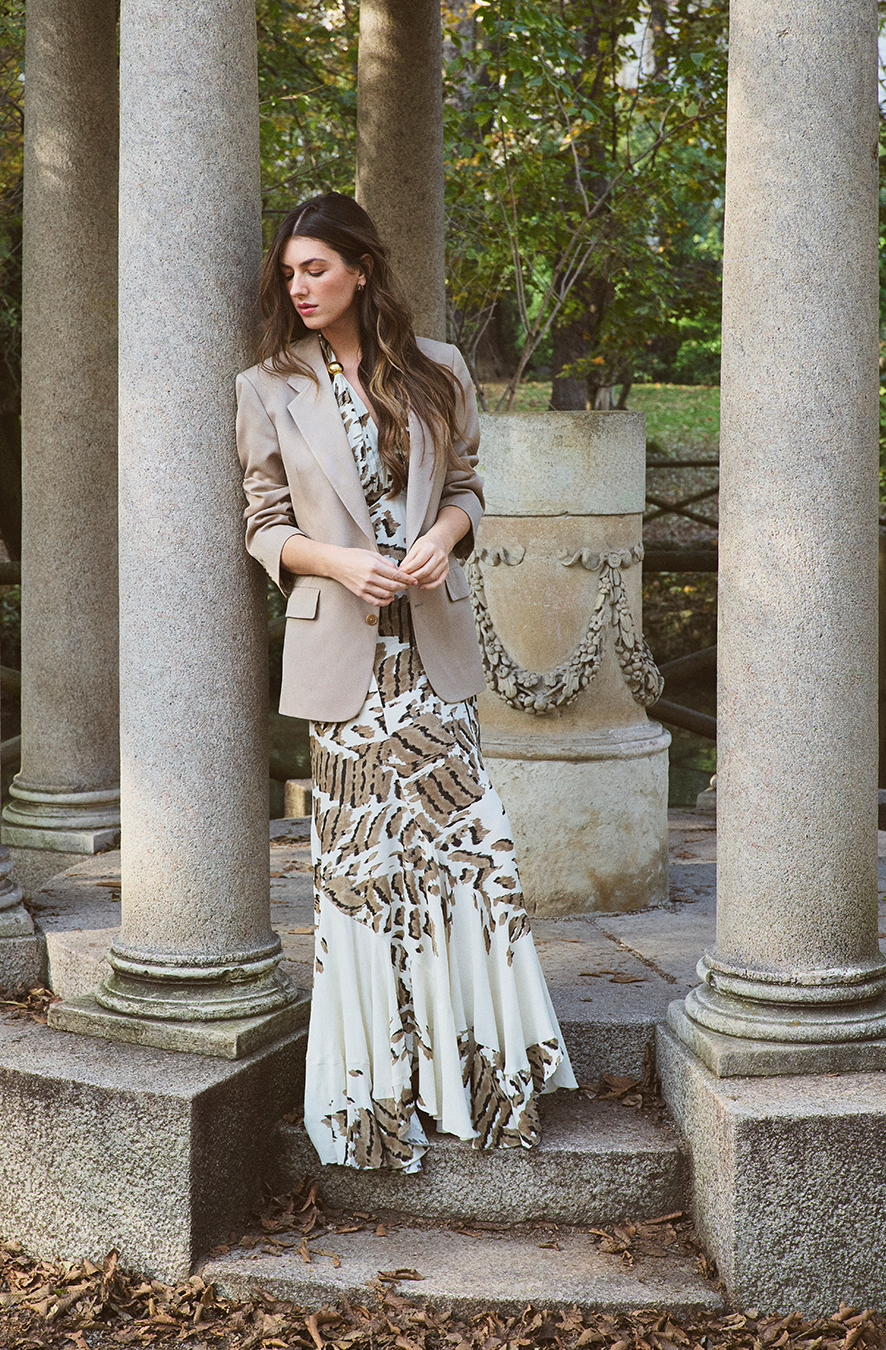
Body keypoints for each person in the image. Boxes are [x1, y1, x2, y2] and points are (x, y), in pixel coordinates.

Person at [236, 192, 576, 1173]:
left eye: (317, 270)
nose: (300, 288)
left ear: (362, 270)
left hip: (430, 659)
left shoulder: (440, 371)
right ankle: (378, 1103)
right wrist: (339, 564)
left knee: (469, 855)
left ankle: (481, 1085)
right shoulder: (266, 387)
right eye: (290, 273)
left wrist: (439, 537)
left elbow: (468, 484)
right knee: (365, 879)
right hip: (345, 667)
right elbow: (261, 521)